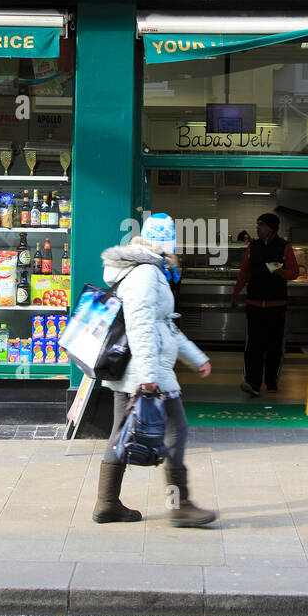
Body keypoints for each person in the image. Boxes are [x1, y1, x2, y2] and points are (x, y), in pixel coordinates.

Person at [92, 213, 217, 527]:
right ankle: (179, 505)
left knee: (120, 433)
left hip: (136, 371)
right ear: (164, 243)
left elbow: (164, 325)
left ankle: (107, 503)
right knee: (177, 431)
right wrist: (149, 377)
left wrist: (195, 357)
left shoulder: (146, 268)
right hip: (148, 371)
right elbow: (142, 326)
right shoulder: (147, 272)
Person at [230, 212, 299, 396]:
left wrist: (280, 272)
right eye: (257, 224)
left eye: (261, 224)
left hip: (276, 304)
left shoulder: (284, 247)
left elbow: (294, 272)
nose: (257, 228)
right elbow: (244, 272)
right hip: (254, 303)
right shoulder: (252, 247)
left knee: (274, 345)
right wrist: (236, 293)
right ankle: (252, 382)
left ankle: (271, 380)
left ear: (272, 228)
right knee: (253, 345)